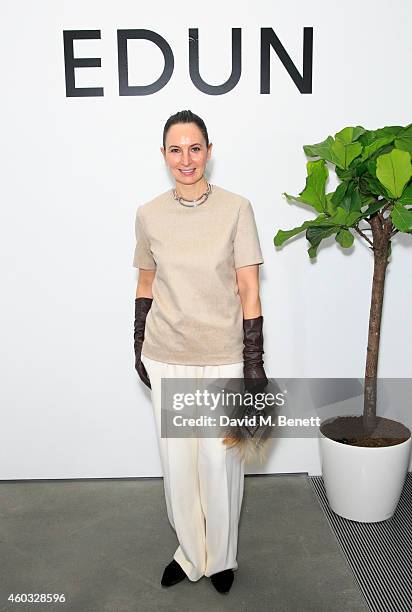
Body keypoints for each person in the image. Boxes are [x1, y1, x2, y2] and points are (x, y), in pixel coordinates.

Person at [133, 109, 268, 594]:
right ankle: (190, 553)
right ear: (164, 155)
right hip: (167, 353)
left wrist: (254, 364)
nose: (186, 159)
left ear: (209, 151)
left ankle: (221, 558)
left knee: (218, 461)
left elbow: (249, 288)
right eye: (175, 149)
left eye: (195, 148)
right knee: (178, 466)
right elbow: (146, 283)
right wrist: (138, 342)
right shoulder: (149, 214)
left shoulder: (236, 208)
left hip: (224, 355)